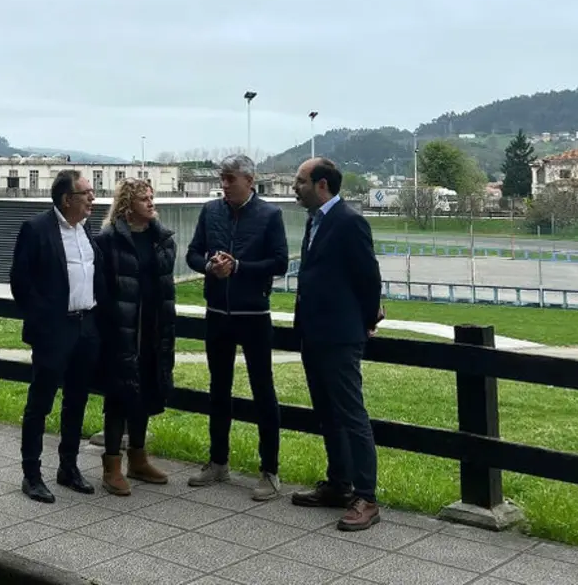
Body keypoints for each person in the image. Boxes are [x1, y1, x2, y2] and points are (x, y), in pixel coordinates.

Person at [184, 154, 289, 501]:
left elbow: (280, 263)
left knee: (263, 391)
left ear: (249, 180)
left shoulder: (270, 215)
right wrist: (209, 267)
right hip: (216, 312)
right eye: (222, 178)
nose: (224, 184)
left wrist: (240, 266)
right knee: (218, 388)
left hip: (254, 315)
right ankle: (218, 462)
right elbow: (192, 254)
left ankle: (270, 471)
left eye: (230, 178)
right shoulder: (210, 211)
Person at [288, 157, 384, 531]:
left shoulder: (349, 221)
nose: (295, 187)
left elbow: (368, 279)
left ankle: (367, 497)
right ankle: (338, 485)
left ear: (322, 185)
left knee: (351, 416)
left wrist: (364, 323)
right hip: (313, 334)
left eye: (300, 181)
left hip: (341, 337)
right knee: (327, 414)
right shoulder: (315, 219)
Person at [9, 169, 104, 503]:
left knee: (76, 400)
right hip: (54, 331)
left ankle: (68, 467)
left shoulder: (86, 227)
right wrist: (46, 323)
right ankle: (31, 475)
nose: (93, 197)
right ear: (67, 199)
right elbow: (21, 283)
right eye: (87, 193)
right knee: (41, 402)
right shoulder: (36, 229)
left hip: (84, 328)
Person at [93, 178, 176, 496]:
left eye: (152, 197)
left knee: (146, 390)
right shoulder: (108, 241)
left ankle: (138, 459)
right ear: (127, 205)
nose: (151, 203)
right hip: (121, 331)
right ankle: (111, 465)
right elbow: (101, 291)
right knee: (118, 397)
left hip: (155, 328)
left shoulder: (162, 240)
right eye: (144, 199)